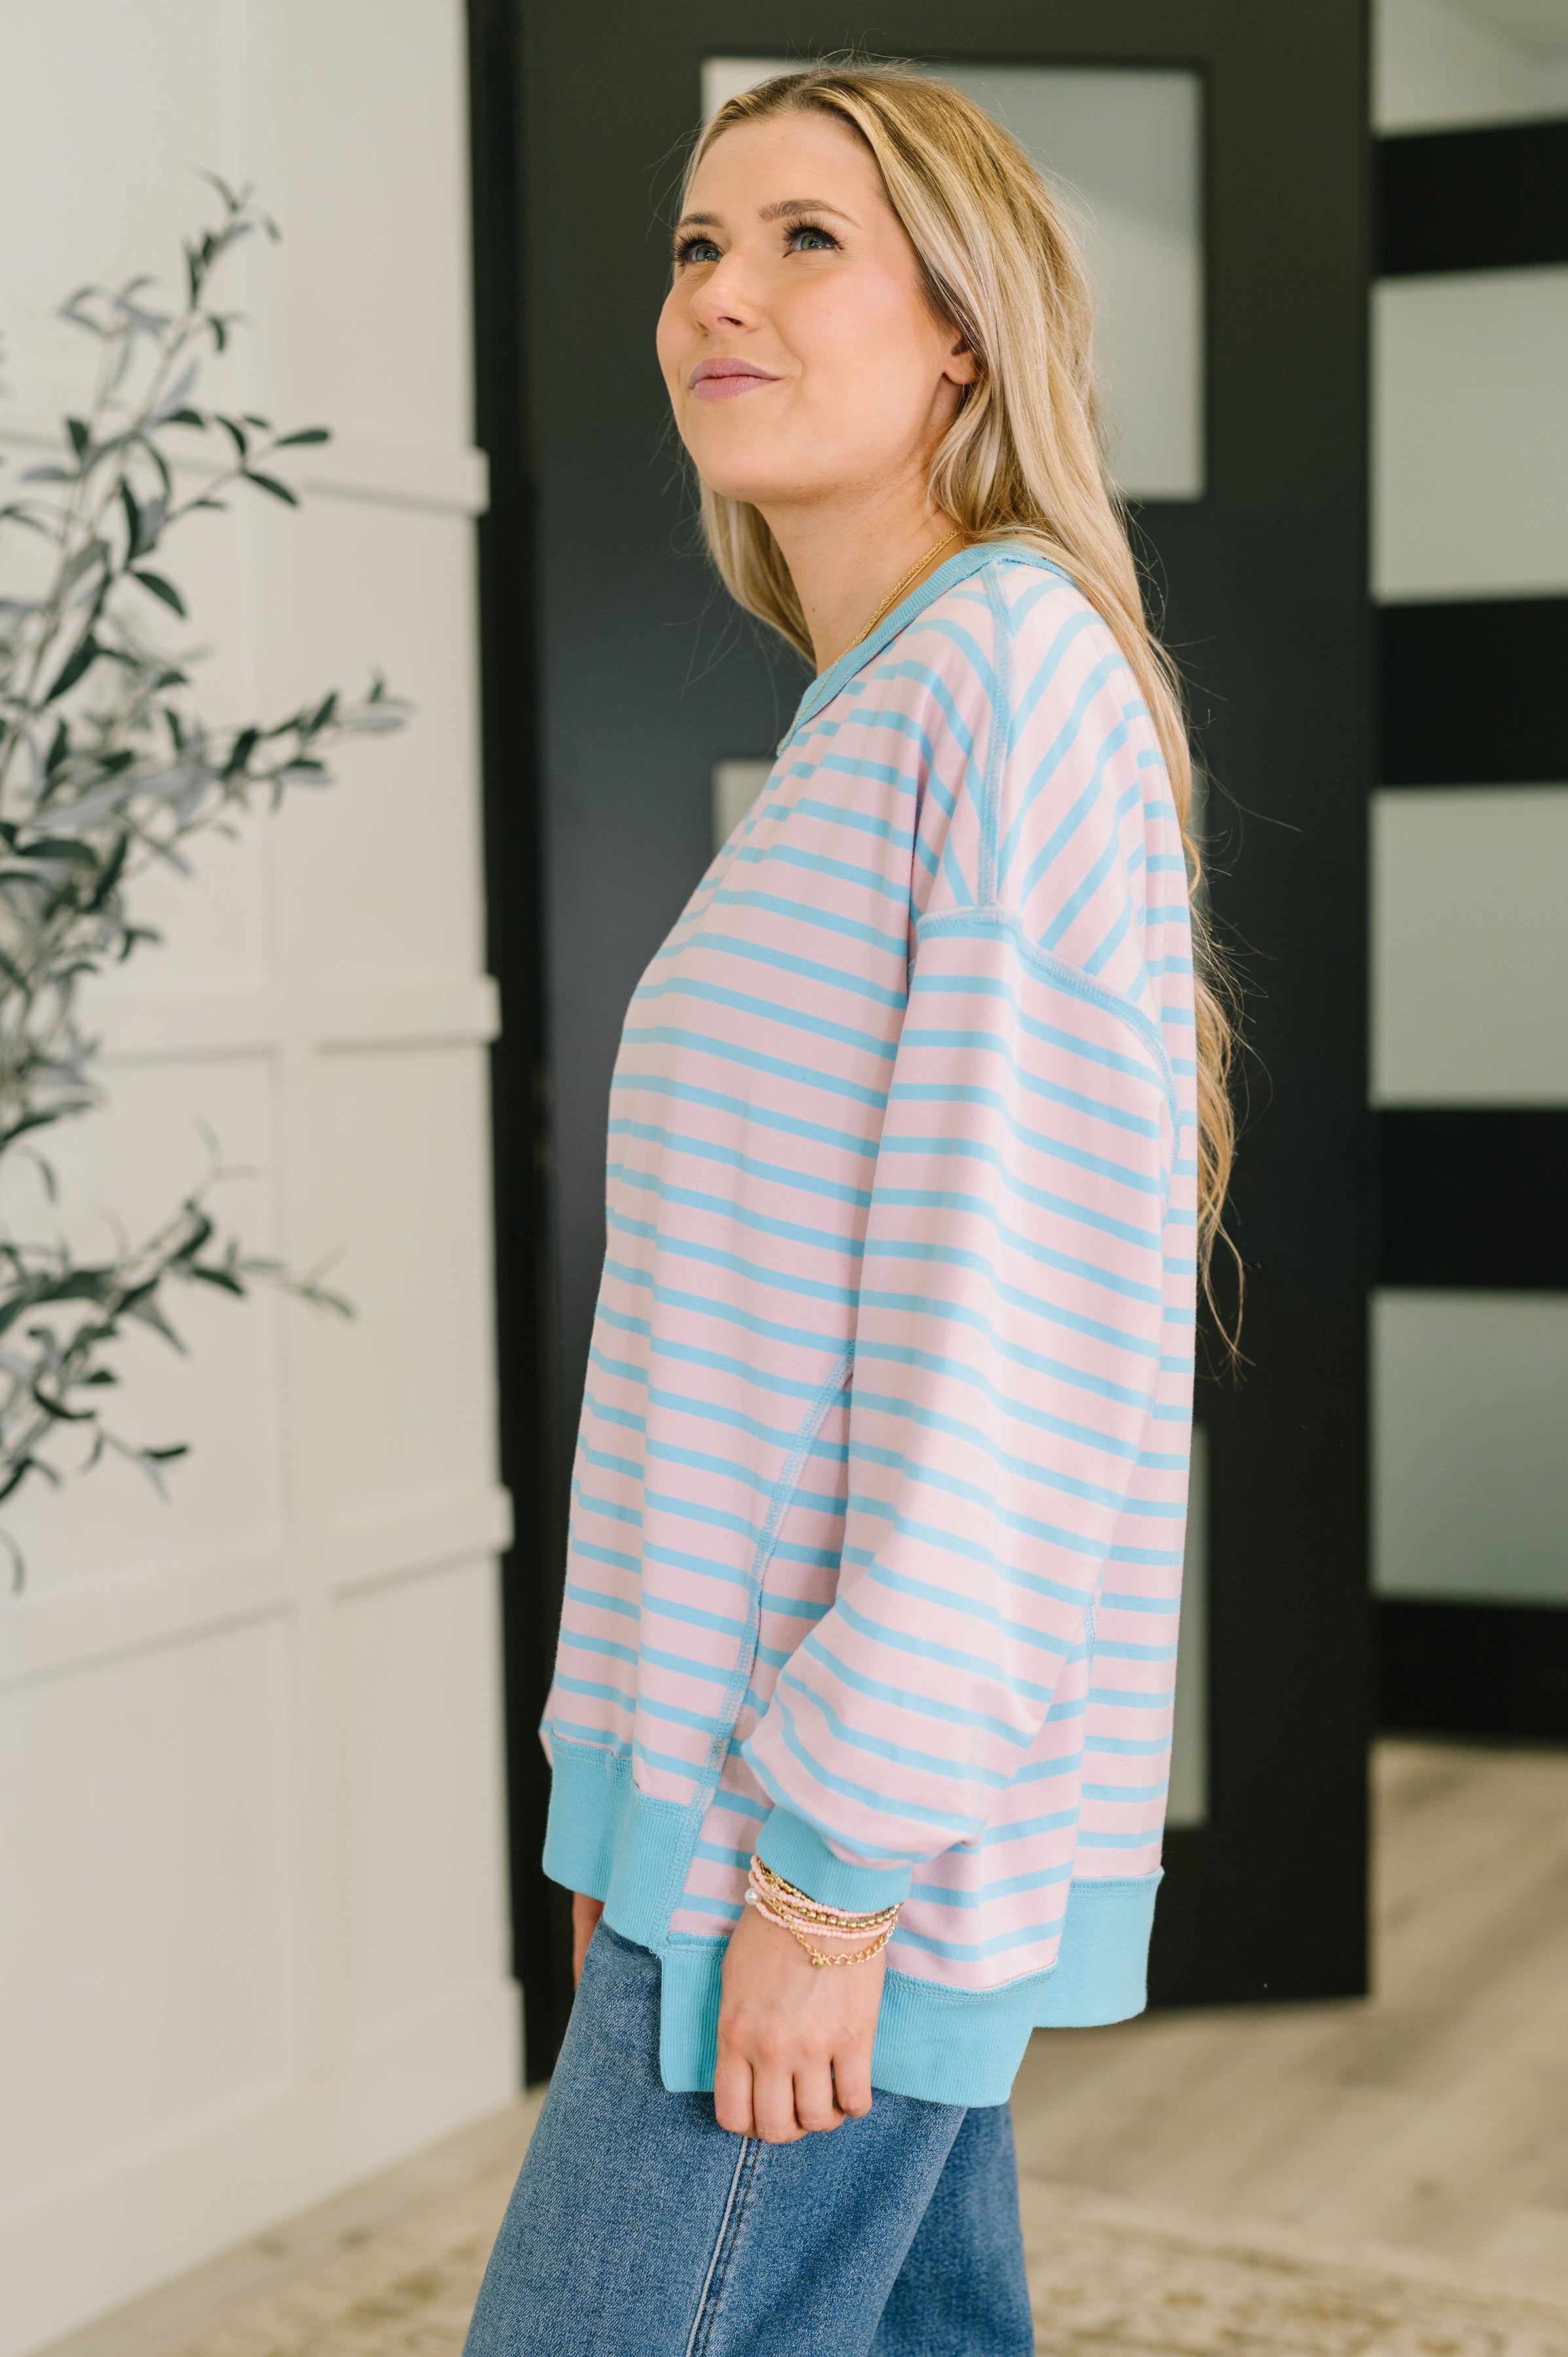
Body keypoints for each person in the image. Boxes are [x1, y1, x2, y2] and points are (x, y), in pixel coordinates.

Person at [463, 60, 1233, 2357]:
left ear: (965, 334)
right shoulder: (870, 710)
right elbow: (743, 1340)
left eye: (810, 237)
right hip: (725, 1801)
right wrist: (630, 1822)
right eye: (700, 243)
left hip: (806, 1828)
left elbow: (1019, 1352)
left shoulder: (1005, 681)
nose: (722, 291)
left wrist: (815, 1865)